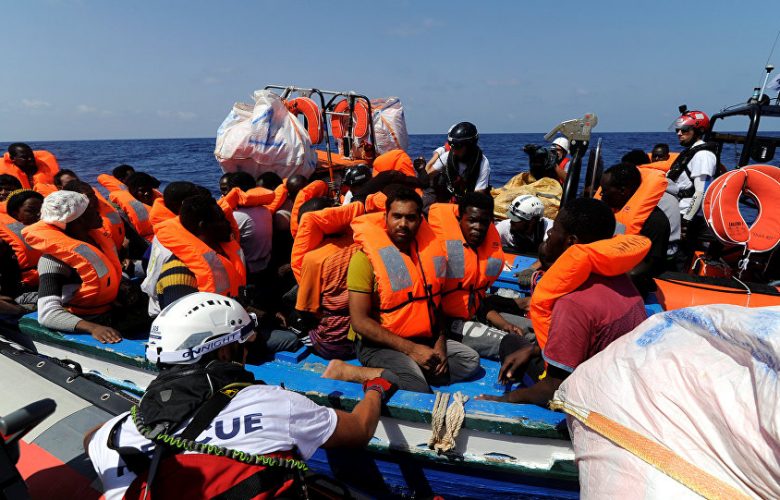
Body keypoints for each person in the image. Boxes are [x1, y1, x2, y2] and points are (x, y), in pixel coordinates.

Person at [86, 292, 393, 499]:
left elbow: (90, 438)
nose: (246, 353)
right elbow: (358, 430)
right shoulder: (274, 404)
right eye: (244, 345)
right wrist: (376, 390)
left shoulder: (112, 436)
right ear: (225, 352)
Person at [478, 198, 650, 407]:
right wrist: (534, 350)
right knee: (522, 347)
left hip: (590, 398)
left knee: (510, 344)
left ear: (571, 241)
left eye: (554, 230)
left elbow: (554, 388)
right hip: (617, 381)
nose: (549, 233)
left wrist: (505, 399)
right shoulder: (618, 276)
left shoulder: (572, 304)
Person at [331, 187, 480, 393]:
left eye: (410, 218)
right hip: (378, 344)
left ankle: (410, 371)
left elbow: (435, 303)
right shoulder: (363, 260)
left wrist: (440, 344)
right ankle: (347, 371)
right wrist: (412, 350)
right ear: (386, 217)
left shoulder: (430, 256)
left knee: (469, 361)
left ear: (420, 220)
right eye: (397, 216)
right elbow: (360, 322)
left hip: (422, 337)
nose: (403, 224)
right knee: (416, 386)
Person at [428, 193, 523, 360]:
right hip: (446, 325)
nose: (478, 227)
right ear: (459, 219)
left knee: (529, 331)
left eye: (484, 222)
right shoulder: (438, 253)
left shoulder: (483, 250)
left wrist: (503, 324)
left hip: (475, 315)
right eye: (472, 220)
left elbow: (476, 298)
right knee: (516, 345)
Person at [23, 191, 124, 344]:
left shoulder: (96, 240)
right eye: (91, 209)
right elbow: (48, 314)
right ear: (79, 219)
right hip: (85, 319)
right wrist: (93, 328)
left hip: (110, 309)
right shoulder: (52, 261)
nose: (98, 211)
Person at [599, 163, 670, 296]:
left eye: (605, 190)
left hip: (630, 288)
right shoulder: (611, 210)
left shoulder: (655, 222)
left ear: (623, 191)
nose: (601, 195)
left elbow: (649, 266)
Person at [667, 109, 717, 269]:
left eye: (685, 130)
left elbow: (701, 191)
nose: (679, 133)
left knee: (680, 258)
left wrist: (686, 221)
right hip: (677, 212)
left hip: (688, 215)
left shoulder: (703, 156)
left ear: (698, 131)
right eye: (678, 130)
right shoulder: (690, 153)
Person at [425, 122, 490, 200]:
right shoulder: (447, 156)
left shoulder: (483, 163)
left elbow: (478, 195)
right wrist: (421, 172)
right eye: (451, 145)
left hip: (470, 199)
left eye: (457, 146)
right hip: (450, 196)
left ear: (469, 146)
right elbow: (429, 174)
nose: (453, 150)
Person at [0, 190, 44, 290]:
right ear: (15, 214)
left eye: (42, 210)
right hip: (26, 289)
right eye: (31, 210)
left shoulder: (58, 227)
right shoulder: (4, 242)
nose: (39, 215)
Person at [109, 172, 160, 243]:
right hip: (143, 242)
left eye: (149, 189)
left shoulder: (158, 201)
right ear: (133, 190)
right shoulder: (121, 212)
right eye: (142, 190)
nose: (147, 193)